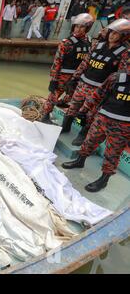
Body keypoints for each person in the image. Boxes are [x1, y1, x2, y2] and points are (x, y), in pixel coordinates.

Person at [61, 61, 130, 192]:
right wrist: (83, 110)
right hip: (103, 118)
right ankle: (80, 161)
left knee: (112, 154)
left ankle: (104, 179)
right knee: (89, 141)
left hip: (124, 127)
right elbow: (98, 94)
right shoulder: (115, 78)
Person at [60, 19, 129, 146]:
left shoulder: (124, 53)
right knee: (73, 108)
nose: (112, 36)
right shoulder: (97, 45)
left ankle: (82, 134)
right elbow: (85, 63)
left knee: (89, 115)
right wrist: (74, 79)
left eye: (116, 34)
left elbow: (119, 76)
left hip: (98, 90)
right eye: (111, 32)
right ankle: (65, 126)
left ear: (123, 37)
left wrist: (110, 93)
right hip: (83, 84)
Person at [41, 13, 95, 124]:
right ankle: (45, 115)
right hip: (63, 76)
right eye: (76, 26)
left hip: (79, 76)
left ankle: (63, 105)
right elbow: (57, 61)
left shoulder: (89, 42)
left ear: (87, 28)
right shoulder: (67, 43)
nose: (78, 29)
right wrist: (54, 79)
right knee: (53, 96)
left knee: (74, 96)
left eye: (82, 27)